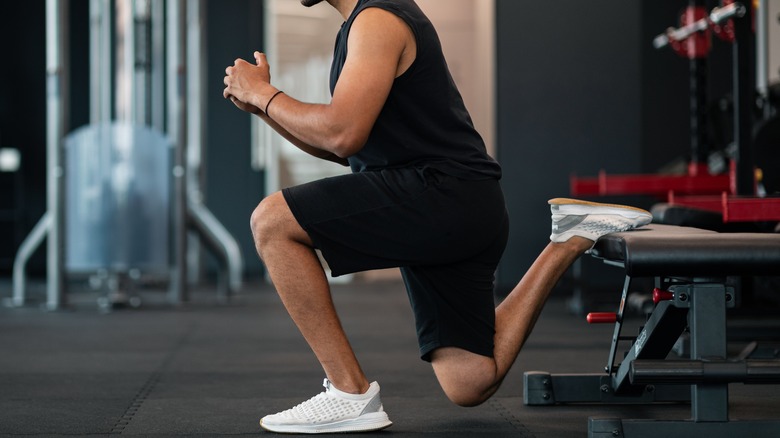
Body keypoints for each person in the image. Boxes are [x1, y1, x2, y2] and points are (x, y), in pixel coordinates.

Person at [223, 0, 652, 434]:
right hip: (455, 200)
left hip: (442, 194)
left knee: (272, 221)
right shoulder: (359, 25)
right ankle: (568, 241)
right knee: (469, 381)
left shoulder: (377, 21)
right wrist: (263, 108)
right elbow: (343, 145)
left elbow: (341, 134)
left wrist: (264, 93)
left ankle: (348, 392)